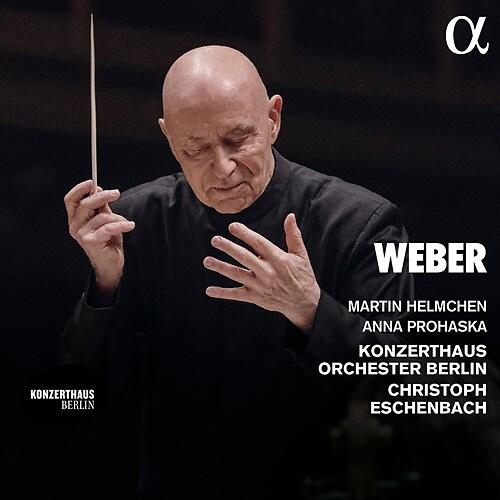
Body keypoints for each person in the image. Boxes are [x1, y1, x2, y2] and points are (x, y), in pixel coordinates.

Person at [62, 45, 413, 499]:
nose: (223, 167)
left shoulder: (362, 224)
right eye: (196, 148)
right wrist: (105, 285)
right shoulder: (132, 224)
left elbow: (400, 388)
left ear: (273, 119)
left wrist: (311, 310)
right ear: (169, 138)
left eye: (238, 138)